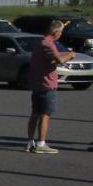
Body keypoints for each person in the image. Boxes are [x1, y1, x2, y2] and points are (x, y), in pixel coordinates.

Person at [26, 19, 77, 154]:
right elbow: (60, 60)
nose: (61, 34)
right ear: (55, 32)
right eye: (61, 32)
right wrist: (70, 55)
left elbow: (49, 59)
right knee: (45, 114)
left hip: (37, 83)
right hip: (47, 84)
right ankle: (41, 143)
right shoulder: (49, 44)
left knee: (35, 114)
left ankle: (30, 141)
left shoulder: (40, 43)